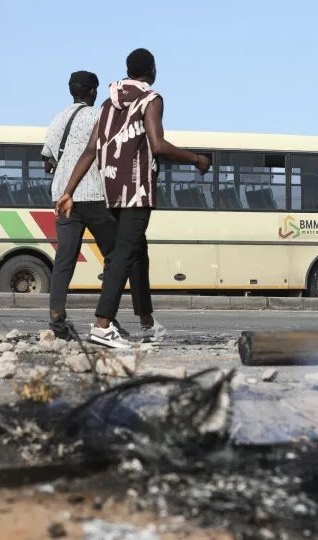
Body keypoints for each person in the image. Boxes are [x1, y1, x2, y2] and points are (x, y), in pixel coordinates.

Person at [57, 48, 211, 348]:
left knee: (138, 253)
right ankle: (102, 325)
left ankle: (147, 322)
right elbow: (159, 145)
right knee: (124, 255)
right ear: (152, 70)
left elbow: (91, 149)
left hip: (112, 189)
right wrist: (196, 159)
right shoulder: (151, 99)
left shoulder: (107, 102)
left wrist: (68, 191)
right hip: (138, 191)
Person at [42, 71, 135, 341]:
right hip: (93, 193)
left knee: (64, 259)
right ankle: (106, 319)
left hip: (62, 196)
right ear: (93, 92)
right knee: (116, 255)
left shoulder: (57, 118)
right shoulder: (99, 116)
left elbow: (47, 162)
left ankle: (57, 320)